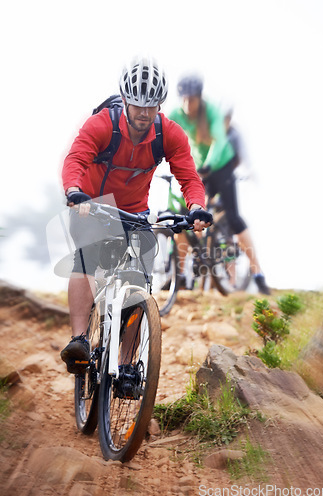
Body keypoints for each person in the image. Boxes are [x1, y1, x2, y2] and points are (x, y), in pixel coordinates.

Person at [60, 58, 212, 374]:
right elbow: (76, 158)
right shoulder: (102, 125)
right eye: (137, 105)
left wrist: (195, 207)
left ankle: (127, 366)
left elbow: (189, 177)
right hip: (92, 205)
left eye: (152, 106)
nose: (144, 113)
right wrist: (74, 190)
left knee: (138, 281)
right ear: (126, 99)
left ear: (159, 104)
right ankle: (78, 340)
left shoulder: (168, 133)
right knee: (86, 258)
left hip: (134, 214)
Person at [169, 74, 270, 295]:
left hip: (220, 165)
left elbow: (218, 140)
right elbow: (163, 135)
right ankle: (180, 274)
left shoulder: (212, 111)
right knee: (187, 216)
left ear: (199, 98)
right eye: (184, 99)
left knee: (233, 218)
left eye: (192, 99)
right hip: (199, 168)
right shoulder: (175, 114)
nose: (187, 104)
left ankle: (258, 273)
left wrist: (209, 164)